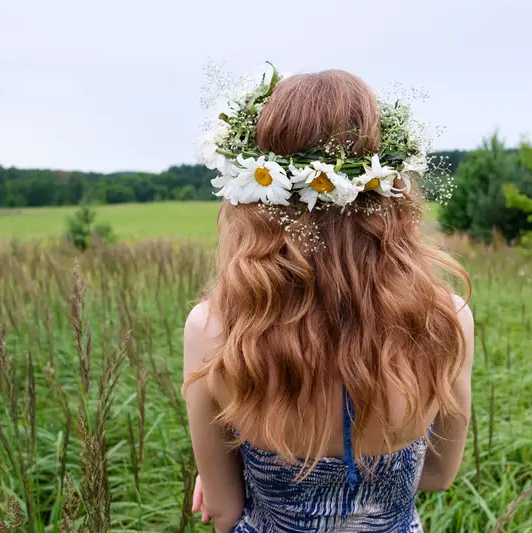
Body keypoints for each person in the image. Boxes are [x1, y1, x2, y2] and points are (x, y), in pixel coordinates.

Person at [182, 67, 474, 533]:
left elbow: (222, 510)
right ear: (388, 184)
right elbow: (439, 476)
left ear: (256, 194)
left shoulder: (213, 329)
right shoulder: (446, 319)